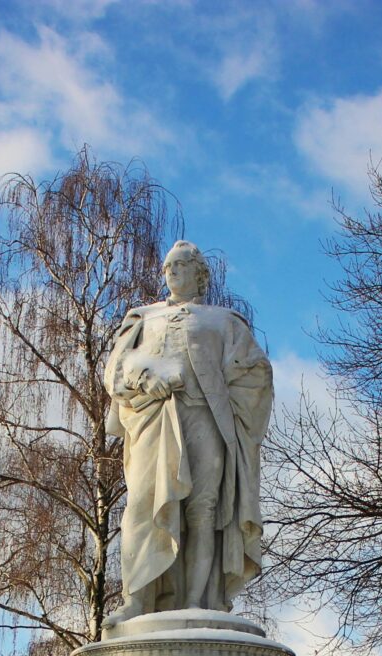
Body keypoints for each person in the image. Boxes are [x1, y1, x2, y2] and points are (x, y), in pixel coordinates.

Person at [103, 240, 273, 620]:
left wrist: (226, 386)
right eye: (167, 267)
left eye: (180, 265)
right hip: (157, 421)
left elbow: (256, 372)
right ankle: (137, 600)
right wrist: (145, 376)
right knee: (144, 504)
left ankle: (200, 603)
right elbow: (116, 368)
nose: (171, 272)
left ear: (200, 274)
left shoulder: (224, 320)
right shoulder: (142, 318)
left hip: (206, 418)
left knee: (204, 511)